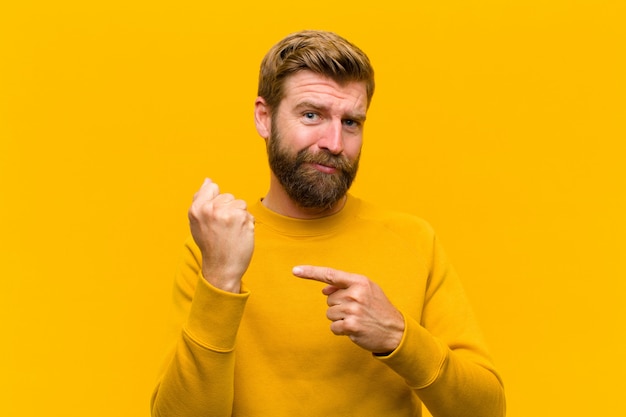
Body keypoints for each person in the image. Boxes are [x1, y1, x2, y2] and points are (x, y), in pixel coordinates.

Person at [151, 30, 505, 417]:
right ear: (264, 117)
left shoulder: (414, 240)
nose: (334, 142)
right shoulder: (215, 248)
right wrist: (220, 279)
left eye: (351, 122)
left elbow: (485, 410)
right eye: (311, 115)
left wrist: (398, 336)